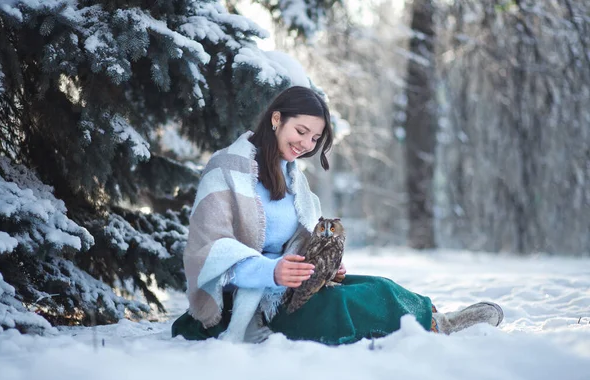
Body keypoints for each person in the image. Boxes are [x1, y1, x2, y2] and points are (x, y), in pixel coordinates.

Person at [171, 86, 503, 345]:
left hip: (285, 289)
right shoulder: (225, 172)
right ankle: (437, 328)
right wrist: (270, 271)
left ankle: (436, 318)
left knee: (376, 286)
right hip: (244, 303)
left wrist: (319, 265)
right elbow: (207, 250)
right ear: (276, 119)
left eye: (314, 138)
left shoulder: (292, 179)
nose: (306, 144)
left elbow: (294, 242)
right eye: (301, 131)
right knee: (339, 307)